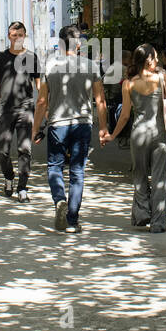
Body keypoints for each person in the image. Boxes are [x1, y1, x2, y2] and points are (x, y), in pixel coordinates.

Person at [32, 24, 110, 233]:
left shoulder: (50, 66)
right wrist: (104, 128)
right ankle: (72, 221)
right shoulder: (91, 66)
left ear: (60, 43)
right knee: (77, 171)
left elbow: (41, 101)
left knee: (55, 167)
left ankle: (59, 200)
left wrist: (35, 127)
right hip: (82, 124)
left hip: (58, 124)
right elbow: (100, 101)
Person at [104, 44, 166, 233]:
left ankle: (142, 213)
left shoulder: (128, 84)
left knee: (140, 174)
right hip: (159, 133)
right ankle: (158, 223)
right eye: (156, 57)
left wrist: (113, 135)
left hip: (138, 134)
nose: (159, 61)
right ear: (149, 61)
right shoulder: (162, 79)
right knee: (160, 178)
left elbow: (125, 116)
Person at [0, 22, 40, 202]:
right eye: (13, 35)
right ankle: (8, 177)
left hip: (26, 109)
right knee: (2, 151)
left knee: (24, 149)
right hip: (4, 109)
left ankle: (23, 187)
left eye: (20, 35)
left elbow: (41, 87)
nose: (17, 38)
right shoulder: (0, 58)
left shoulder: (32, 58)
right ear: (9, 36)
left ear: (25, 36)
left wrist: (43, 110)